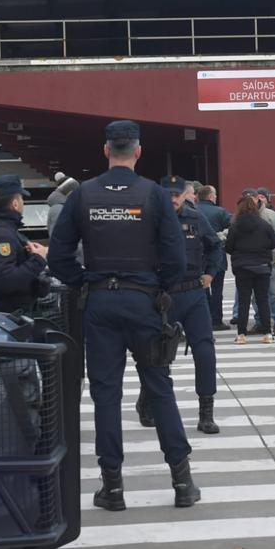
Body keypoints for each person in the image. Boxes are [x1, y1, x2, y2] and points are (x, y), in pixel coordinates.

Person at [47, 120, 198, 512]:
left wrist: (83, 281)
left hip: (99, 304)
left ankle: (112, 488)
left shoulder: (84, 195)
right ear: (138, 151)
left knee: (106, 396)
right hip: (145, 301)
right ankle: (182, 482)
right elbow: (177, 259)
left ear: (105, 150)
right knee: (159, 387)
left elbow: (59, 253)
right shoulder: (154, 194)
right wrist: (158, 287)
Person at [145, 175, 225, 434]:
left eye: (176, 195)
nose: (173, 200)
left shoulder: (196, 218)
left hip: (193, 294)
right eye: (168, 195)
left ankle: (206, 413)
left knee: (204, 352)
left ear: (184, 195)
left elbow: (215, 247)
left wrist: (210, 273)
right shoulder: (150, 221)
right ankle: (147, 402)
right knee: (159, 354)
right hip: (163, 296)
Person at [0, 174, 48, 313]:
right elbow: (7, 281)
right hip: (13, 316)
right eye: (21, 198)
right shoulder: (1, 235)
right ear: (15, 203)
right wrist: (38, 259)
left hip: (3, 311)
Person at [224, 194, 275, 346]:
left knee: (243, 301)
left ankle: (241, 334)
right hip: (262, 267)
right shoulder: (264, 225)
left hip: (242, 268)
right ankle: (267, 333)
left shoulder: (235, 226)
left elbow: (229, 247)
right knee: (263, 300)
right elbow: (272, 244)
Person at [195, 185, 232, 331]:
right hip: (217, 256)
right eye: (215, 195)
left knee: (201, 289)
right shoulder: (220, 212)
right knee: (217, 290)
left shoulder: (194, 211)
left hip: (198, 256)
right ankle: (217, 320)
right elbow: (232, 227)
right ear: (211, 196)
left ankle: (204, 317)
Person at [256, 188, 275, 335]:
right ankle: (260, 321)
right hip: (255, 263)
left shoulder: (274, 217)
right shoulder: (243, 216)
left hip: (272, 261)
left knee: (274, 294)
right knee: (256, 296)